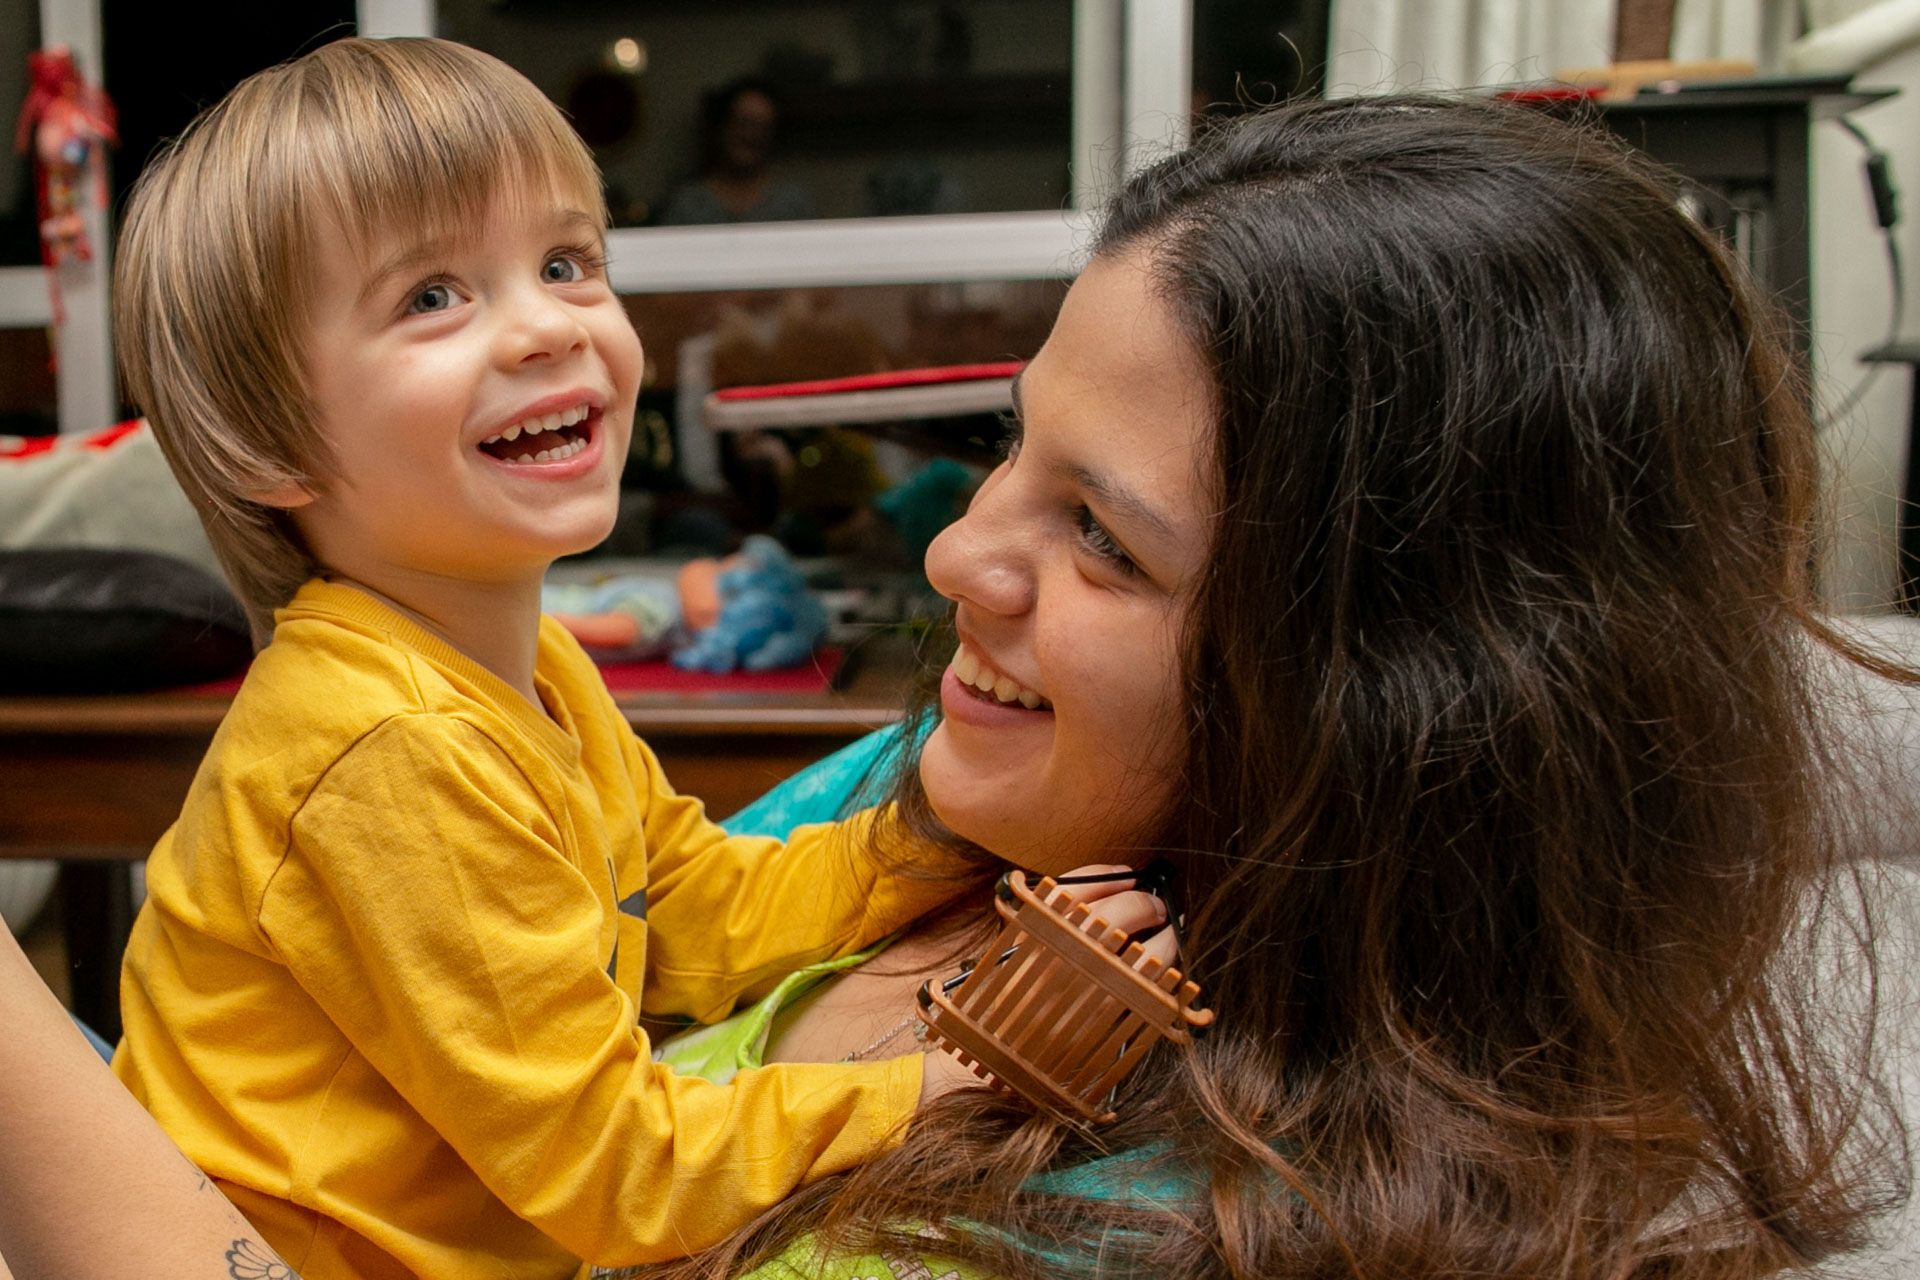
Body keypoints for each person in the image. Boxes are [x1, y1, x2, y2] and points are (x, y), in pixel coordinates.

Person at [0, 90, 1912, 1280]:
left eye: (1105, 535)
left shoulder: (1163, 1175)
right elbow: (675, 924)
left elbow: (623, 1059)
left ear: (1385, 693)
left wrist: (938, 1073)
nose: (953, 554)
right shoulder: (948, 788)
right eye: (1010, 450)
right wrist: (924, 903)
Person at [97, 36, 1152, 1280]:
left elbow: (698, 911)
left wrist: (950, 838)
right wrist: (931, 1087)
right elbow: (615, 1172)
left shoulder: (530, 665)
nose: (546, 324)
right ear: (260, 441)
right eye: (431, 296)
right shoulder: (385, 747)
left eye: (564, 262)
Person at [658, 79, 814, 226]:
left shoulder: (791, 203)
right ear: (722, 127)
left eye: (763, 127)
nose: (751, 135)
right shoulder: (687, 203)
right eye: (743, 123)